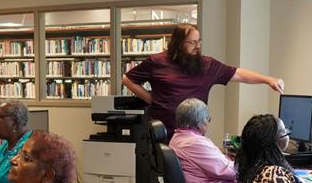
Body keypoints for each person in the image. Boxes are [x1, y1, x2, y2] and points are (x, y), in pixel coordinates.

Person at [122, 23, 285, 137]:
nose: (197, 46)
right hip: (162, 133)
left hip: (194, 136)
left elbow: (239, 74)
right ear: (178, 43)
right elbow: (128, 79)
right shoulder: (156, 62)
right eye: (192, 42)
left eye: (199, 41)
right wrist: (151, 99)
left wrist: (268, 80)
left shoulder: (207, 65)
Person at [168, 98, 248, 183]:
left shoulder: (178, 138)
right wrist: (249, 165)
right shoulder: (194, 143)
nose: (208, 122)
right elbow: (228, 172)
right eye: (207, 119)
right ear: (198, 123)